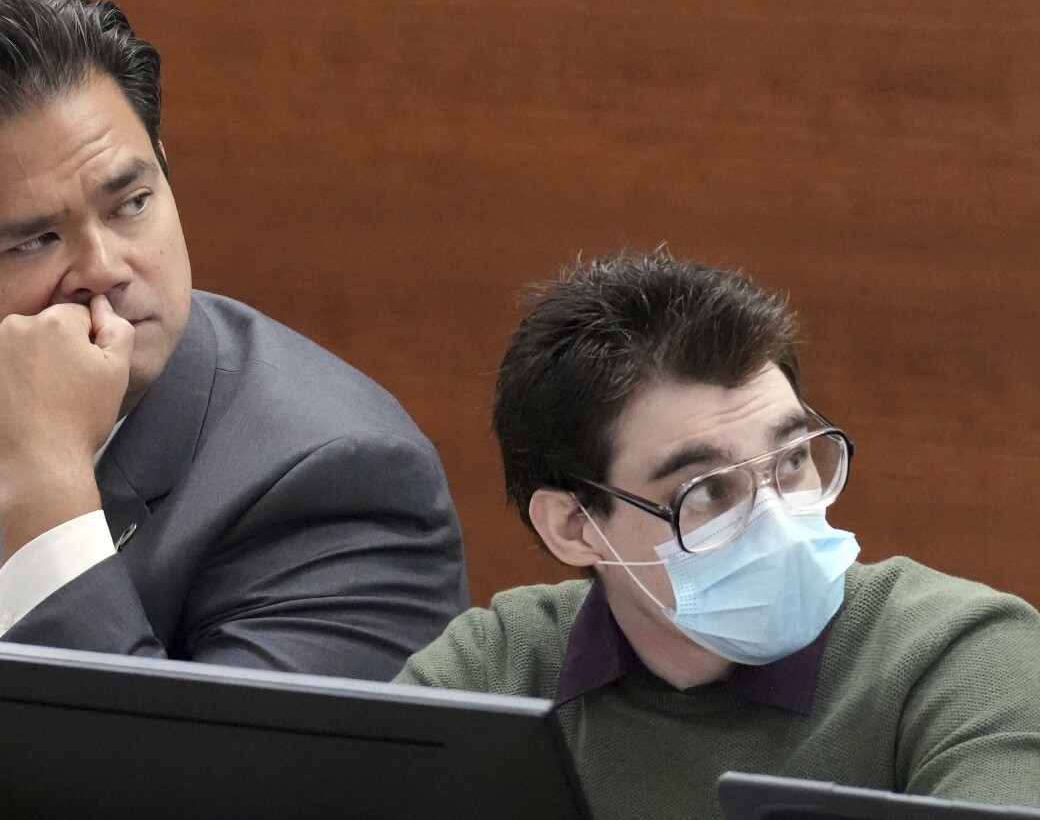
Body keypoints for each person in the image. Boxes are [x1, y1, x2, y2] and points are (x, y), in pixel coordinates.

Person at [0, 0, 468, 817]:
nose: (105, 266)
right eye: (35, 238)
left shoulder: (343, 484)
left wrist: (46, 485)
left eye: (131, 203)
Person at [396, 253, 1040, 818]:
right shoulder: (495, 673)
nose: (776, 518)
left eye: (792, 461)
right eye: (705, 491)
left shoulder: (965, 657)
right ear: (575, 528)